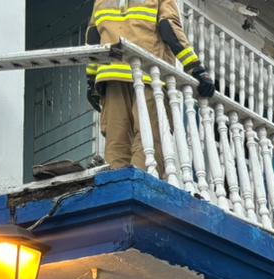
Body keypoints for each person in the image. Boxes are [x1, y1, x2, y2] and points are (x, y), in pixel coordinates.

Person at [86, 1, 216, 171]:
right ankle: (141, 185)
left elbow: (93, 38)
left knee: (117, 142)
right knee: (150, 140)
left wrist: (91, 79)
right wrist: (195, 67)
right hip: (147, 75)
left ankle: (118, 187)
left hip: (111, 77)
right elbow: (169, 29)